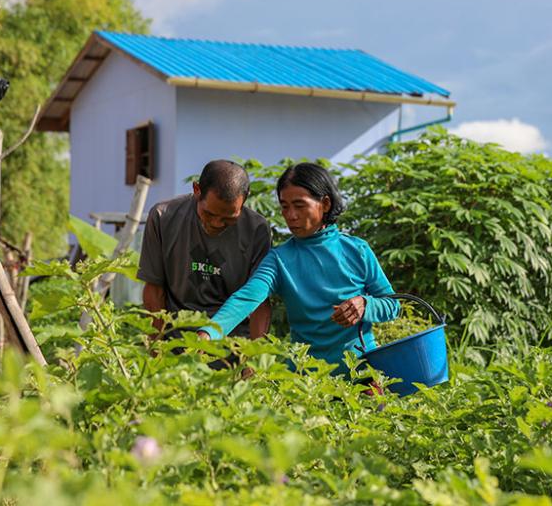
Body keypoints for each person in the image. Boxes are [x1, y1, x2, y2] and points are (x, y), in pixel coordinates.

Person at [197, 162, 400, 374]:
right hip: (305, 378)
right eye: (284, 206)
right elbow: (246, 298)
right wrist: (209, 333)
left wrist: (365, 304)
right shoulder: (279, 259)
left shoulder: (357, 250)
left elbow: (393, 305)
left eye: (299, 205)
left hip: (361, 371)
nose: (291, 215)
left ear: (325, 204)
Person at [138, 159, 272, 344]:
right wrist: (156, 347)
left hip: (231, 346)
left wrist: (253, 361)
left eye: (229, 219)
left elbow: (258, 300)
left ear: (244, 200)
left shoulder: (256, 230)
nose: (217, 224)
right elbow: (154, 289)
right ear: (196, 190)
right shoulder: (163, 217)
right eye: (209, 214)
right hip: (176, 341)